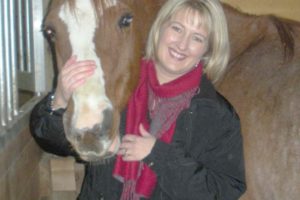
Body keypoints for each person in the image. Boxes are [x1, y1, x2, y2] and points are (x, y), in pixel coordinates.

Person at [30, 0, 246, 199]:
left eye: (197, 38)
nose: (182, 44)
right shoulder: (119, 84)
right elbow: (52, 140)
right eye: (177, 29)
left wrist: (156, 154)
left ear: (207, 49)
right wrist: (59, 99)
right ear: (160, 28)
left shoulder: (216, 114)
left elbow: (223, 192)